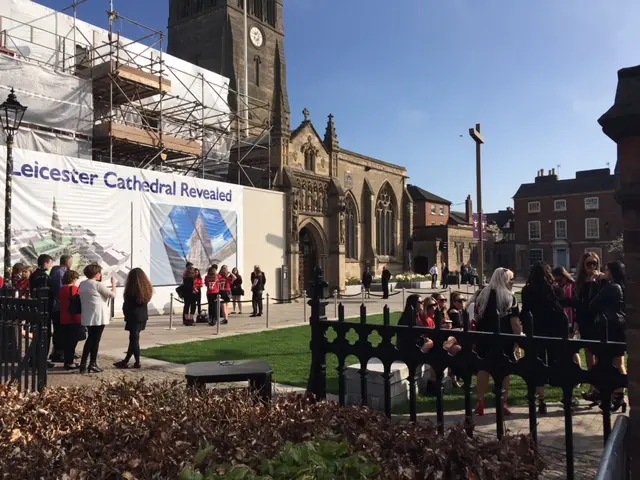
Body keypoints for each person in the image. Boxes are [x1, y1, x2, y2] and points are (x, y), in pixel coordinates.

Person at [468, 267, 521, 416]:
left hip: (485, 336)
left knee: (483, 369)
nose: (512, 282)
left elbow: (477, 316)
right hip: (504, 338)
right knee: (504, 371)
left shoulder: (482, 295)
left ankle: (480, 401)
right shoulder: (510, 297)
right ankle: (503, 402)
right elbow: (515, 322)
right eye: (511, 279)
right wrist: (519, 337)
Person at [520, 262, 569, 414]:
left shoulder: (527, 290)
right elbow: (561, 311)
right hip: (554, 332)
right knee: (558, 363)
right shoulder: (555, 290)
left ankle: (541, 400)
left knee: (537, 366)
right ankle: (566, 396)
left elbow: (525, 311)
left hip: (536, 331)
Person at [590, 261, 627, 413]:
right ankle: (617, 395)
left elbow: (594, 303)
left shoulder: (611, 286)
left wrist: (601, 285)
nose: (603, 271)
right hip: (620, 327)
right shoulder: (623, 285)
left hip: (610, 327)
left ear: (611, 272)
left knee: (610, 361)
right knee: (618, 361)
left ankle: (611, 394)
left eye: (606, 269)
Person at [573, 252, 606, 403]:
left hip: (598, 322)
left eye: (595, 263)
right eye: (589, 263)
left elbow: (601, 301)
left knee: (599, 356)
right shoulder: (579, 281)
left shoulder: (601, 279)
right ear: (583, 265)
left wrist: (596, 281)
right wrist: (576, 323)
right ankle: (593, 388)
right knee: (589, 356)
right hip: (585, 321)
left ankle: (600, 388)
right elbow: (578, 305)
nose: (592, 266)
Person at [78, 264, 117, 373]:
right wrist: (114, 285)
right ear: (96, 273)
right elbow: (112, 295)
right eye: (100, 272)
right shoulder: (97, 285)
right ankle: (91, 363)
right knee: (94, 340)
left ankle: (86, 363)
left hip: (88, 314)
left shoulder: (83, 284)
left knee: (92, 339)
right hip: (98, 315)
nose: (101, 274)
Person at [114, 268, 153, 369]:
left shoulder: (131, 290)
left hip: (133, 316)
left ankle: (137, 362)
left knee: (134, 339)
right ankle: (126, 361)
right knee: (134, 339)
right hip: (142, 316)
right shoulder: (146, 289)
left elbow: (128, 303)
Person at [29, 254, 55, 368]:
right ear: (45, 263)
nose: (51, 265)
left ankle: (35, 358)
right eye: (50, 262)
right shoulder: (42, 276)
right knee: (44, 334)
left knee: (38, 334)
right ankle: (41, 359)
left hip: (37, 307)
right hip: (44, 308)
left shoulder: (34, 275)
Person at [553, 266, 581, 368]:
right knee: (563, 348)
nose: (558, 282)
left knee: (572, 349)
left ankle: (578, 372)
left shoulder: (572, 286)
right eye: (555, 279)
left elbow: (576, 302)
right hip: (559, 320)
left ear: (565, 276)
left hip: (571, 319)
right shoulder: (557, 288)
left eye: (560, 279)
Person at [49, 255, 73, 364]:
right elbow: (61, 291)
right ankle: (58, 353)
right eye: (71, 261)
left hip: (59, 306)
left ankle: (60, 351)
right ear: (67, 261)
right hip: (59, 306)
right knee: (60, 331)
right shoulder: (60, 273)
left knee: (61, 331)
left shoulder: (61, 272)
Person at [59, 269, 83, 370]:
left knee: (67, 341)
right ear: (73, 279)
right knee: (72, 342)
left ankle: (68, 361)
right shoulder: (74, 289)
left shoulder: (61, 289)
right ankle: (69, 362)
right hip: (73, 318)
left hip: (64, 317)